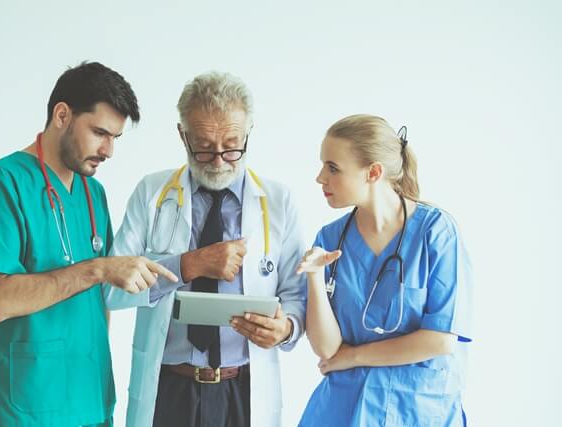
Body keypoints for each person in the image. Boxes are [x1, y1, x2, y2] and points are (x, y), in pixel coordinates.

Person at [0, 62, 178, 427]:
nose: (108, 150)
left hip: (89, 398)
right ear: (62, 115)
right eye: (99, 133)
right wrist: (99, 268)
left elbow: (99, 301)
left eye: (115, 139)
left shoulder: (93, 193)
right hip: (24, 401)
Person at [103, 71, 307, 427]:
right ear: (182, 135)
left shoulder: (278, 201)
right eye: (203, 146)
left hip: (243, 390)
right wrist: (188, 265)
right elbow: (110, 290)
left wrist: (286, 327)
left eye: (231, 145)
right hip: (170, 387)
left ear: (248, 133)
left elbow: (296, 293)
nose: (218, 161)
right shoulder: (151, 193)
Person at [296, 114, 473, 426]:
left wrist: (354, 356)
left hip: (416, 410)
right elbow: (326, 349)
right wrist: (313, 276)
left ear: (373, 172)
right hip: (343, 408)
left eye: (333, 167)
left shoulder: (436, 231)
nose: (320, 177)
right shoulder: (329, 239)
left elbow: (440, 339)